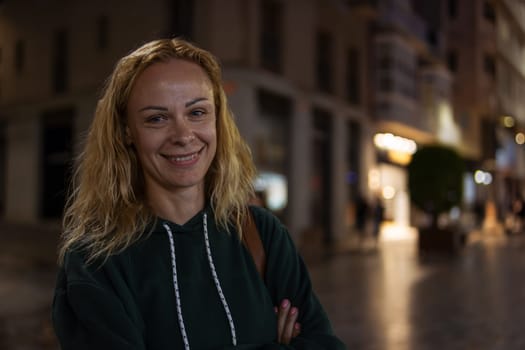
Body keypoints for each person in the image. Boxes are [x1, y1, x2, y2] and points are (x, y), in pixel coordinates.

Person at [52, 37, 346, 350]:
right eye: (157, 118)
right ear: (126, 132)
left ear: (217, 119)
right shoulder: (96, 261)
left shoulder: (262, 233)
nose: (183, 135)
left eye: (197, 113)